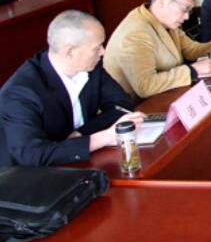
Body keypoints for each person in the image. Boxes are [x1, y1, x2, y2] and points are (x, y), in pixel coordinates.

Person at [0, 10, 144, 166]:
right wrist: (104, 137)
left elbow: (121, 104)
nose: (103, 52)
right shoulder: (20, 93)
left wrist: (81, 134)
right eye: (97, 47)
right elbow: (32, 155)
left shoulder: (90, 66)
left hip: (78, 161)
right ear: (69, 52)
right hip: (29, 175)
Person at [104, 0, 211, 99]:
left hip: (166, 94)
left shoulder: (163, 20)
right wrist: (192, 71)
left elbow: (190, 49)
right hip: (137, 108)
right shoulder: (136, 33)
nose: (187, 17)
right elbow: (145, 85)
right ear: (163, 1)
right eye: (184, 9)